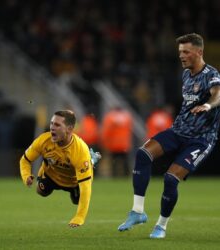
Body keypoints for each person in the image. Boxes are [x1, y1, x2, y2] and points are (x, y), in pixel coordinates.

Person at [118, 33, 220, 238]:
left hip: (201, 139)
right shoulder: (185, 74)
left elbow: (218, 93)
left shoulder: (211, 74)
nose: (181, 56)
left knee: (170, 179)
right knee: (143, 154)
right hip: (178, 130)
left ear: (199, 52)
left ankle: (161, 226)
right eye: (180, 52)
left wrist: (208, 104)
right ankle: (137, 212)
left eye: (186, 52)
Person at [20, 110, 101, 228]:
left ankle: (91, 160)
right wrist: (26, 176)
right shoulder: (43, 140)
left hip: (73, 182)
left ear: (69, 129)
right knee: (41, 192)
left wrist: (79, 217)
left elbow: (86, 187)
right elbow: (25, 160)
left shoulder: (79, 150)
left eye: (57, 125)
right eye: (52, 123)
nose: (52, 127)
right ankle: (90, 160)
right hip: (51, 176)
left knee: (77, 201)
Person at [99, 106, 133, 176]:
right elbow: (129, 131)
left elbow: (106, 132)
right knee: (125, 162)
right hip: (124, 144)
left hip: (113, 144)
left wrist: (104, 143)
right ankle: (126, 176)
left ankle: (115, 176)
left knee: (113, 162)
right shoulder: (127, 117)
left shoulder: (110, 117)